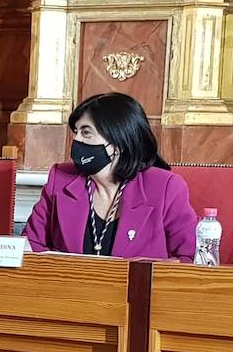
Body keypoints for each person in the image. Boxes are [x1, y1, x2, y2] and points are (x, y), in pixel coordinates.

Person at [24, 93, 196, 260]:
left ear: (118, 141)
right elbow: (30, 246)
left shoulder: (166, 187)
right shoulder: (60, 179)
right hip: (69, 287)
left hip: (138, 289)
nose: (76, 140)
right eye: (76, 132)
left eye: (86, 133)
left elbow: (189, 258)